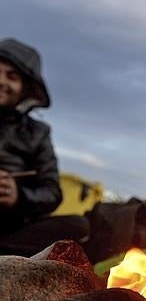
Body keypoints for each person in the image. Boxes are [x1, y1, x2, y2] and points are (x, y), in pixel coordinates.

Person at [0, 38, 89, 256]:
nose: (1, 81)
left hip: (10, 229)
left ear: (25, 89)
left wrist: (17, 196)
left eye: (12, 77)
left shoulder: (38, 133)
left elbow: (51, 192)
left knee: (78, 226)